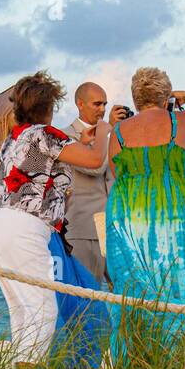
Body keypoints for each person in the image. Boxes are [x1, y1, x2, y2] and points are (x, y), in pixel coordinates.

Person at [0, 71, 109, 369]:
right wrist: (105, 131)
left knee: (23, 313)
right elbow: (94, 161)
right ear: (49, 106)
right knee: (42, 311)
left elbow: (47, 164)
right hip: (24, 228)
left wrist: (82, 141)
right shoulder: (45, 134)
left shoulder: (14, 138)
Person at [105, 67, 185, 360]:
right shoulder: (179, 122)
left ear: (136, 98)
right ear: (166, 95)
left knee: (136, 287)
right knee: (180, 279)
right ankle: (182, 358)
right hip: (175, 214)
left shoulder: (118, 133)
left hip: (127, 218)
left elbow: (114, 173)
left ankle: (140, 362)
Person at [65, 82, 129, 286]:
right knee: (85, 294)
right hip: (82, 228)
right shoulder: (66, 136)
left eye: (105, 104)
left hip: (113, 226)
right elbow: (94, 167)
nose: (102, 110)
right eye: (97, 104)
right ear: (80, 104)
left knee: (129, 293)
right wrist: (107, 132)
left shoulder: (111, 136)